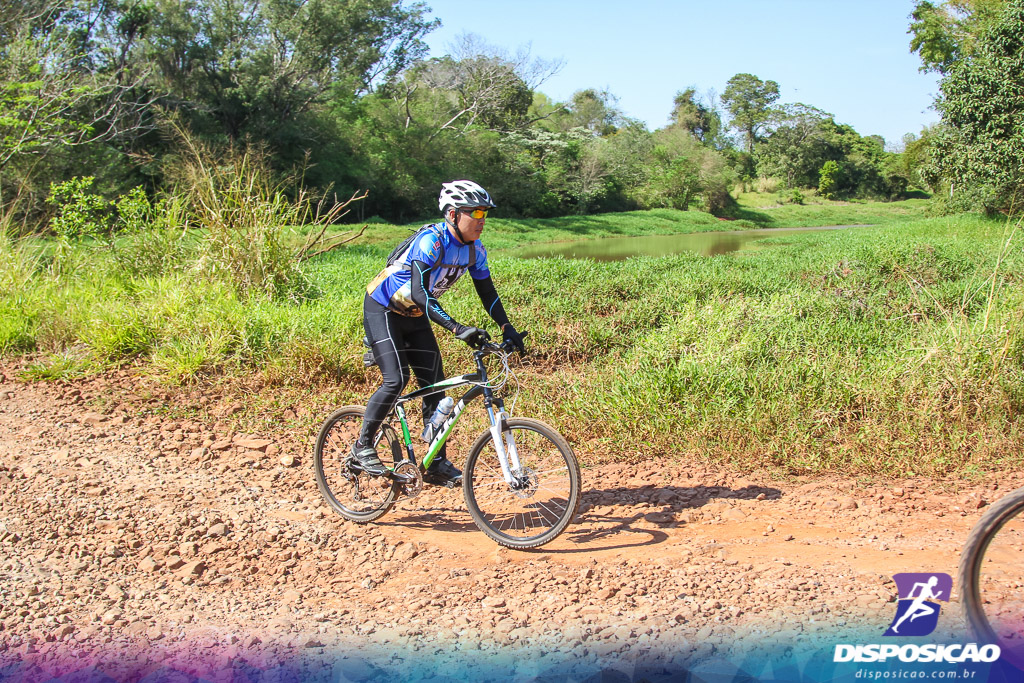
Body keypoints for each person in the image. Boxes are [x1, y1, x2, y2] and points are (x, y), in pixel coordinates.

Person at [352, 180, 526, 486]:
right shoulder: (431, 241)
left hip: (415, 314)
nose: (482, 219)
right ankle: (362, 446)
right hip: (383, 308)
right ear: (453, 214)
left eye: (486, 213)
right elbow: (420, 293)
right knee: (396, 379)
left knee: (435, 385)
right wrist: (457, 328)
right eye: (476, 212)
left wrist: (507, 327)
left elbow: (487, 292)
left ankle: (435, 463)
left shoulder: (475, 250)